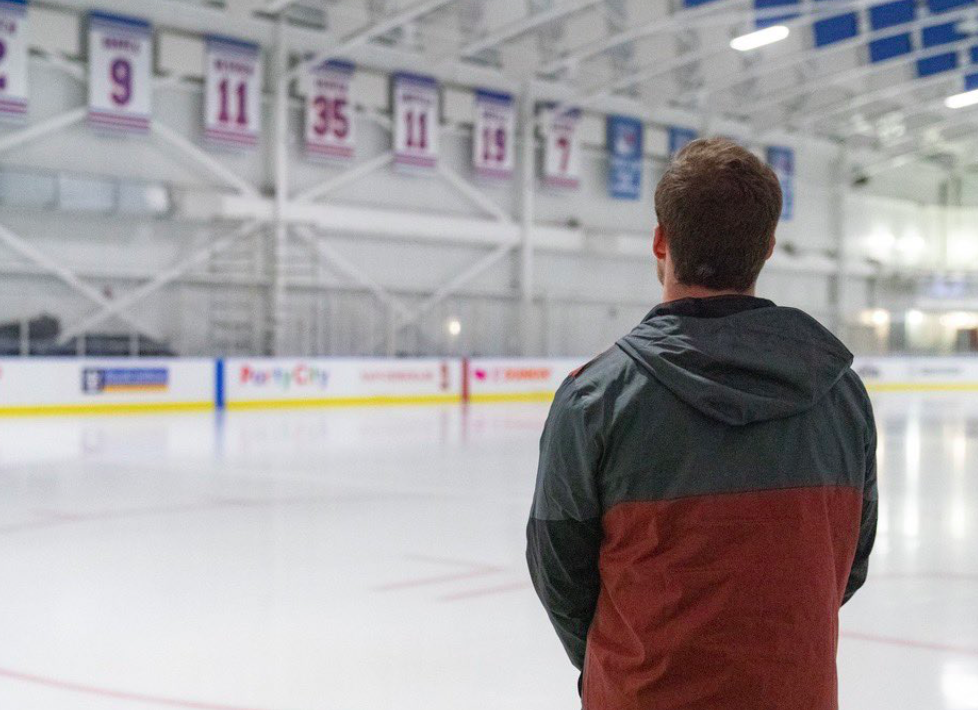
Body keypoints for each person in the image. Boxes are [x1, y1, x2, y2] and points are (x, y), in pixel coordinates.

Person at [526, 137, 877, 710]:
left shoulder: (594, 400)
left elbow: (560, 574)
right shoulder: (842, 394)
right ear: (767, 248)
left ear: (661, 241)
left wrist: (631, 663)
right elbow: (848, 563)